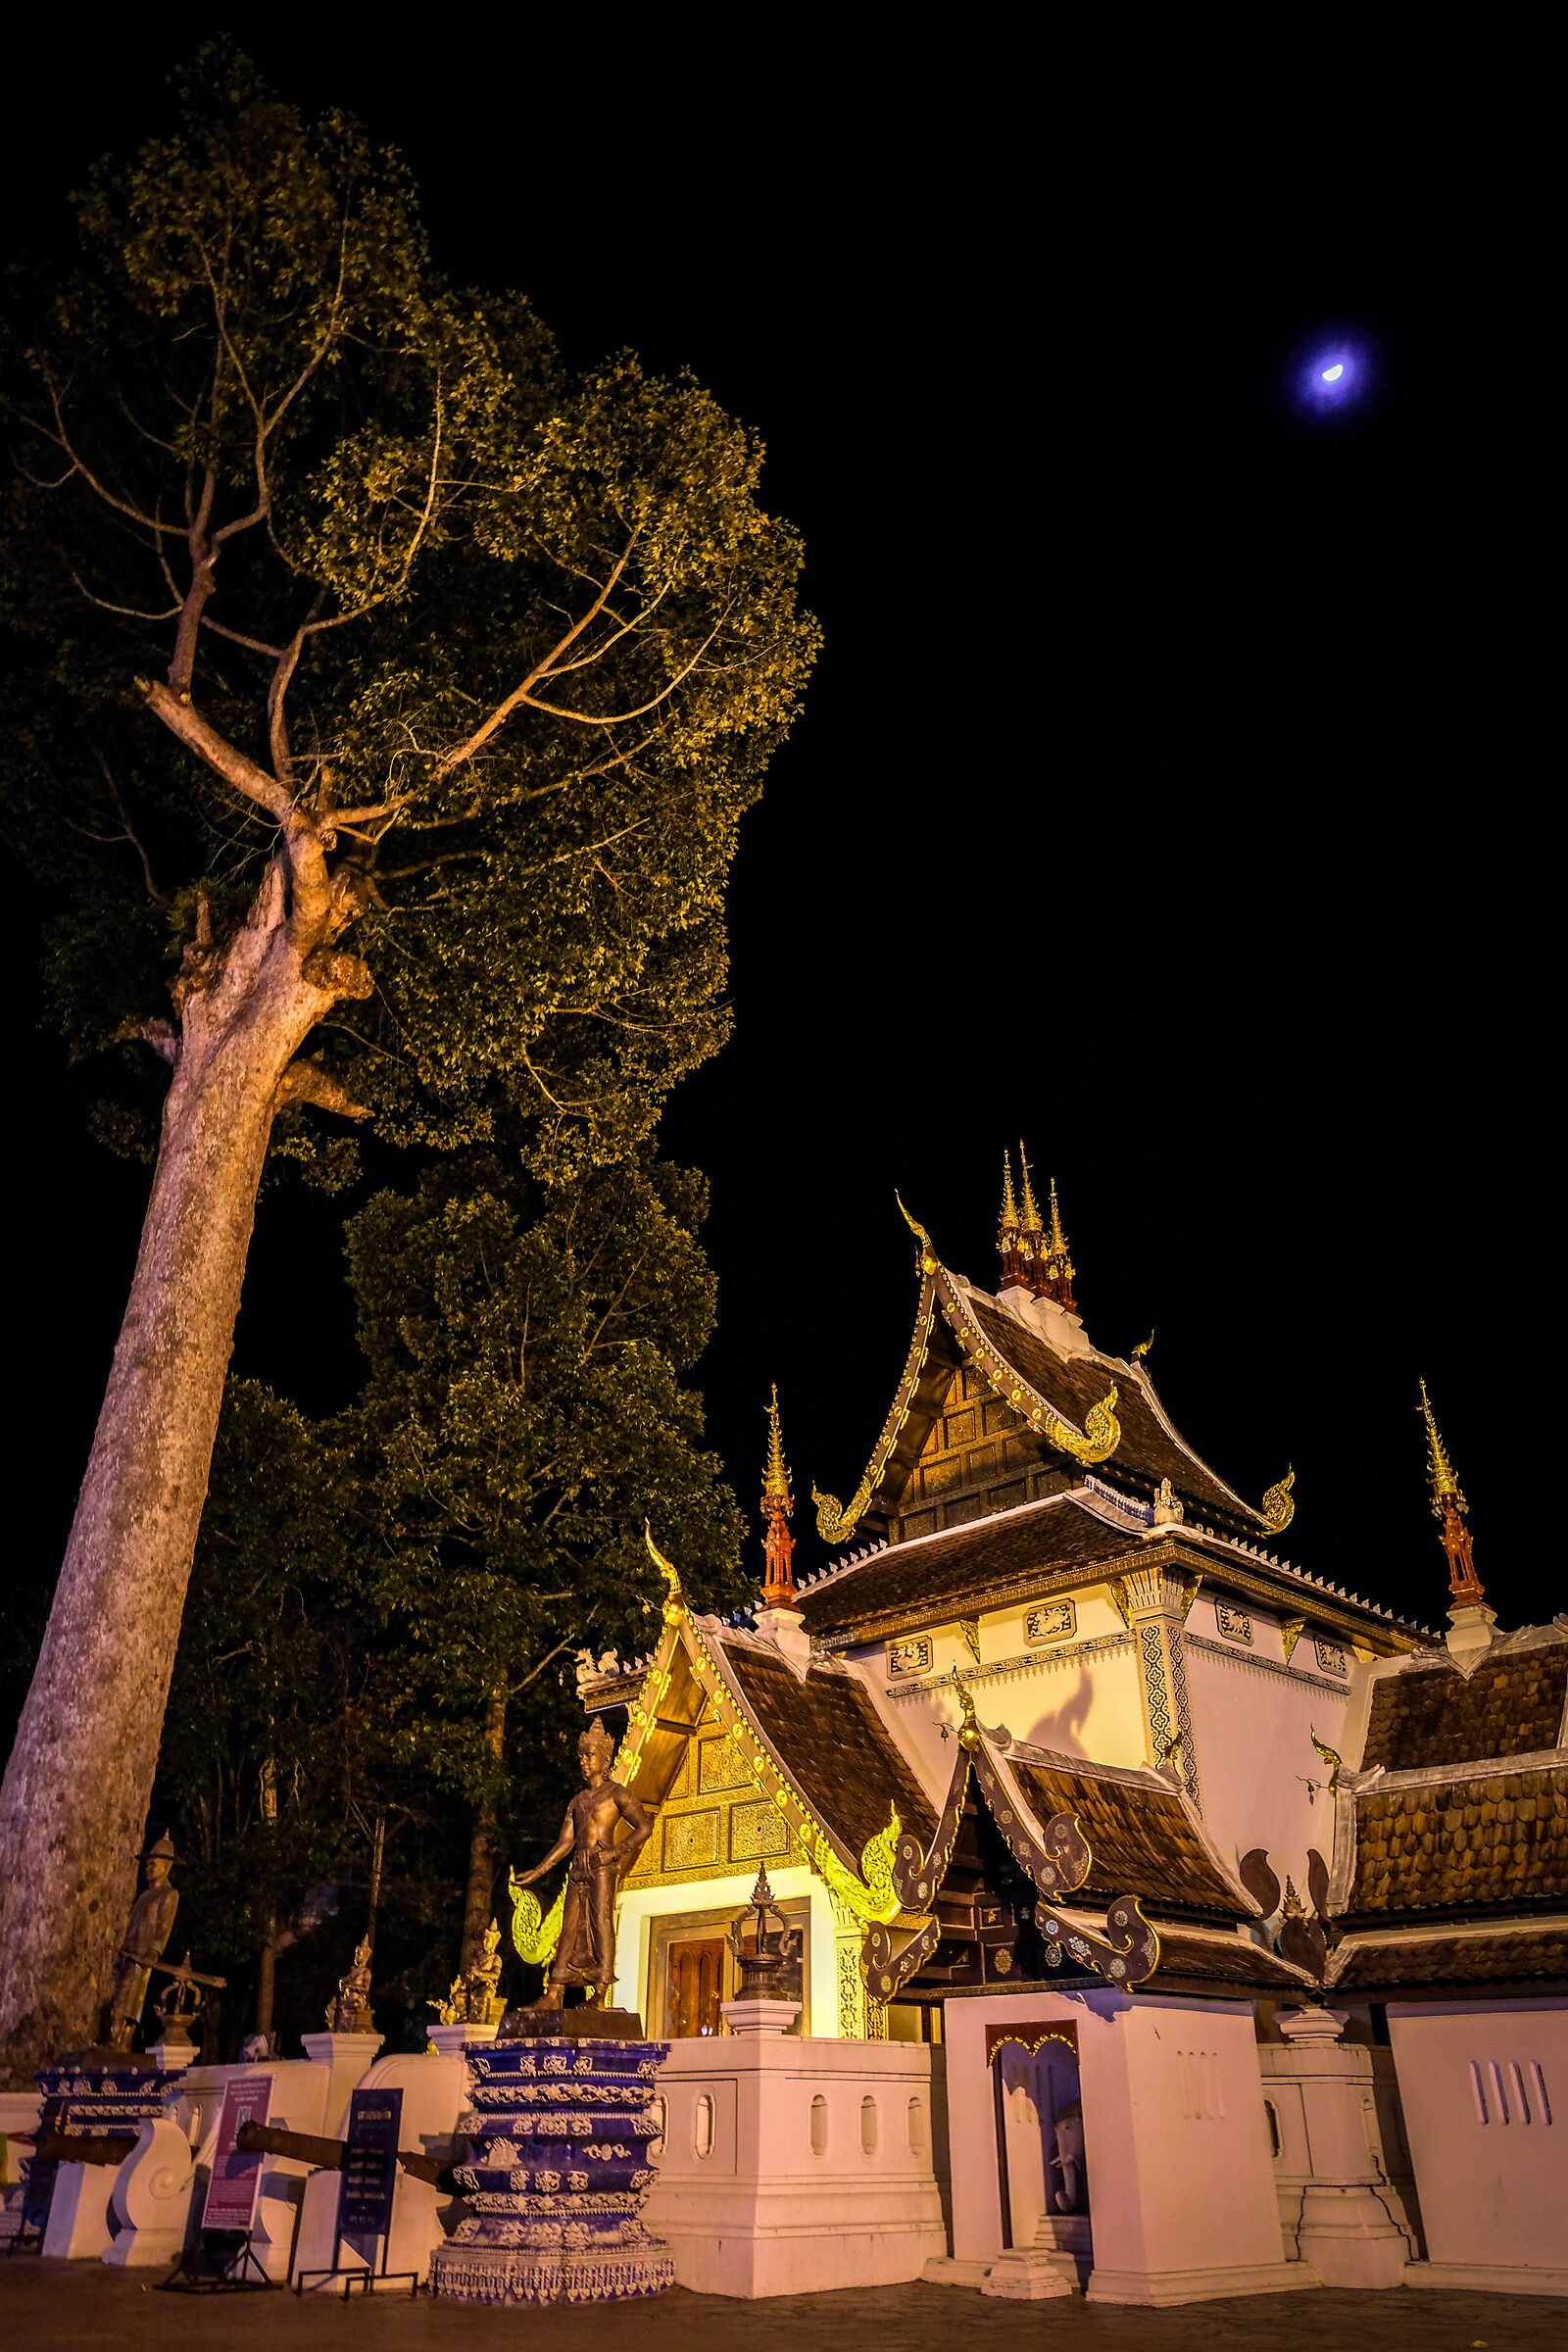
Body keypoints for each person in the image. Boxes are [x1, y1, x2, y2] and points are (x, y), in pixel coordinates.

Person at [512, 1721, 652, 2004]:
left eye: (590, 1755)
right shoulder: (577, 1801)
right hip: (578, 1866)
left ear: (605, 1759)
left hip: (602, 1865)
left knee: (601, 1923)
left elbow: (644, 1828)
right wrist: (538, 1871)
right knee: (570, 1926)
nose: (585, 1762)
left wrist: (615, 1852)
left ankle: (600, 1993)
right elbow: (565, 1842)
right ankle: (555, 1991)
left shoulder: (617, 1793)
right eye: (582, 1757)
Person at [106, 1834, 180, 2048]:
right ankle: (118, 2042)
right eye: (148, 1864)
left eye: (154, 1864)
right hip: (129, 1954)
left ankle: (118, 2040)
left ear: (166, 1868)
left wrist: (153, 1952)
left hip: (143, 1957)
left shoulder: (169, 1894)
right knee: (121, 1996)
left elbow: (163, 1928)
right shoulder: (144, 1896)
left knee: (129, 2000)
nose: (149, 1868)